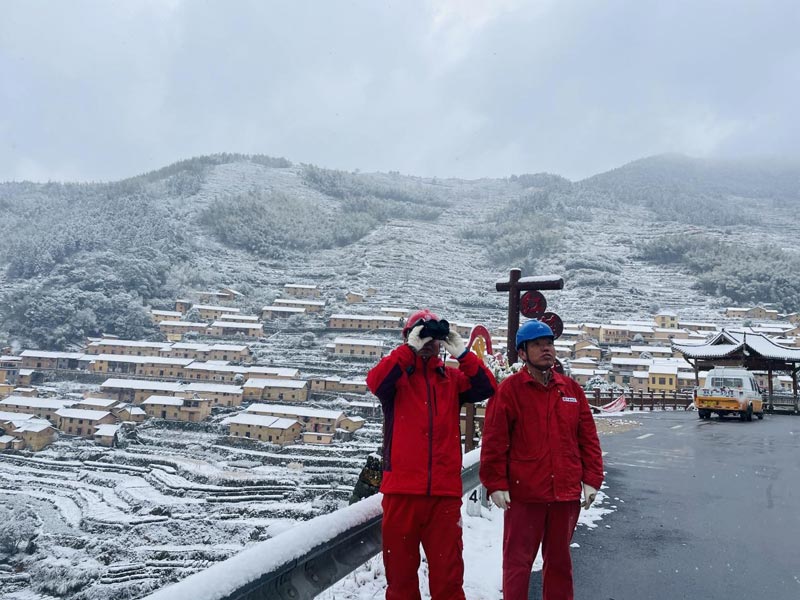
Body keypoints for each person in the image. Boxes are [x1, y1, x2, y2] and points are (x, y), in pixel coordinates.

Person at [367, 308, 496, 600]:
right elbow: (375, 382)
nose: (429, 344)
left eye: (433, 339)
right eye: (422, 337)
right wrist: (408, 350)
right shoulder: (395, 381)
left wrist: (463, 354)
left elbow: (487, 386)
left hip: (443, 497)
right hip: (401, 493)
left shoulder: (451, 380)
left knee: (449, 583)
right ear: (409, 339)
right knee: (400, 585)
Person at [479, 319, 604, 600]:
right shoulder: (509, 391)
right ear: (522, 353)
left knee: (560, 564)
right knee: (517, 564)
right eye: (537, 345)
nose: (546, 349)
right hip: (525, 494)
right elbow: (494, 441)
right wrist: (496, 482)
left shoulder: (571, 390)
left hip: (565, 494)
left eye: (549, 344)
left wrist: (592, 479)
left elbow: (588, 440)